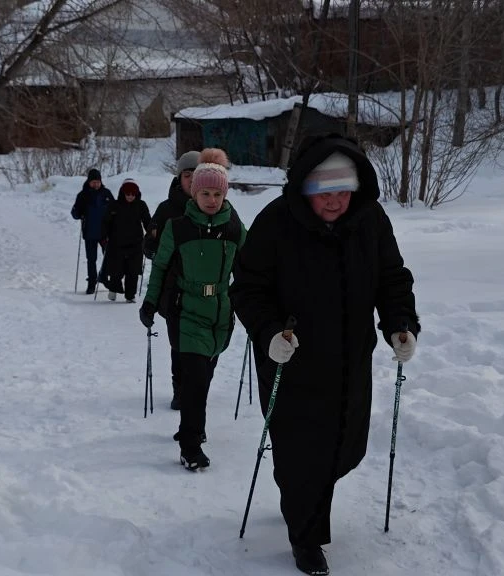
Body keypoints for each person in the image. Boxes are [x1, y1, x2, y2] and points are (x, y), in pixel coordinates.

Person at [229, 133, 420, 576]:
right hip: (291, 360)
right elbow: (248, 288)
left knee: (343, 448)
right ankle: (307, 538)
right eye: (323, 194)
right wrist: (269, 331)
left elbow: (392, 278)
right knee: (303, 453)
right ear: (305, 190)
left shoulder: (370, 220)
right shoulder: (276, 222)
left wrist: (400, 324)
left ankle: (300, 497)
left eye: (342, 193)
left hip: (350, 361)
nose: (334, 203)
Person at [138, 148, 247, 471]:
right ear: (194, 193)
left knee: (204, 375)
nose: (211, 199)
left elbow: (251, 269)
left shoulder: (233, 228)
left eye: (216, 193)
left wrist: (257, 306)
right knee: (196, 377)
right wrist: (149, 302)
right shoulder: (179, 227)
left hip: (220, 312)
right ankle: (190, 446)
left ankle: (193, 424)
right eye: (204, 193)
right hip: (187, 310)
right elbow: (160, 267)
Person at [145, 150, 200, 409]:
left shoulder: (213, 207)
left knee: (201, 347)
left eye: (198, 175)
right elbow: (150, 246)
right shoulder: (167, 210)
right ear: (180, 178)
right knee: (178, 345)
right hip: (173, 291)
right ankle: (181, 390)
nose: (192, 180)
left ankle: (197, 387)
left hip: (203, 293)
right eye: (188, 175)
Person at [102, 178, 151, 303]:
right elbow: (106, 222)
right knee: (116, 270)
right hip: (116, 243)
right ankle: (113, 289)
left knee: (132, 271)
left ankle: (130, 295)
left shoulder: (141, 205)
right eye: (128, 194)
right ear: (123, 193)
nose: (130, 196)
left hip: (135, 244)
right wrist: (104, 237)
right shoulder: (114, 205)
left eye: (133, 194)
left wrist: (151, 233)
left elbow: (147, 221)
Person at [71, 168, 114, 294]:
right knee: (91, 259)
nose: (96, 184)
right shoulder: (83, 195)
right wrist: (78, 213)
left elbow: (115, 209)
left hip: (104, 232)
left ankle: (103, 276)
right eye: (93, 182)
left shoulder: (106, 193)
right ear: (89, 182)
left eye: (98, 182)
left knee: (109, 256)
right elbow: (75, 213)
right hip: (89, 232)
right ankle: (92, 282)